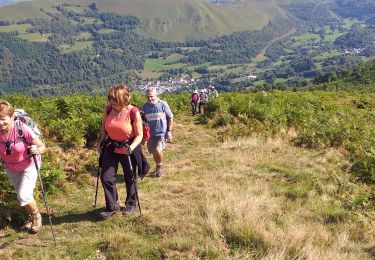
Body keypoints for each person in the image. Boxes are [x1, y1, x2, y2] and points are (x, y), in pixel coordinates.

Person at [97, 85, 144, 219]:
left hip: (128, 146)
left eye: (115, 100)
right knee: (106, 177)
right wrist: (101, 141)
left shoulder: (133, 112)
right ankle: (112, 206)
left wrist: (131, 147)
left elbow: (139, 135)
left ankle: (131, 204)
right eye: (111, 100)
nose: (112, 103)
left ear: (124, 99)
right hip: (111, 146)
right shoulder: (107, 110)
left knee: (130, 178)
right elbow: (104, 128)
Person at [0, 100, 46, 233]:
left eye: (3, 119)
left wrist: (37, 149)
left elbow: (42, 146)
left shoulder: (22, 129)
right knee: (24, 196)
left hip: (29, 164)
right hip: (11, 168)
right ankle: (31, 216)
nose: (0, 123)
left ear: (12, 117)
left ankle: (37, 217)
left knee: (24, 195)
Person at [142, 88, 174, 177]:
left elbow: (170, 117)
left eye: (151, 96)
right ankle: (158, 167)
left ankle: (159, 167)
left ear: (156, 95)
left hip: (161, 133)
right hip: (150, 135)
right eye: (148, 97)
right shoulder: (144, 106)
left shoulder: (162, 104)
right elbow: (142, 120)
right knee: (153, 152)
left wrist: (169, 131)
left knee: (157, 150)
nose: (150, 98)